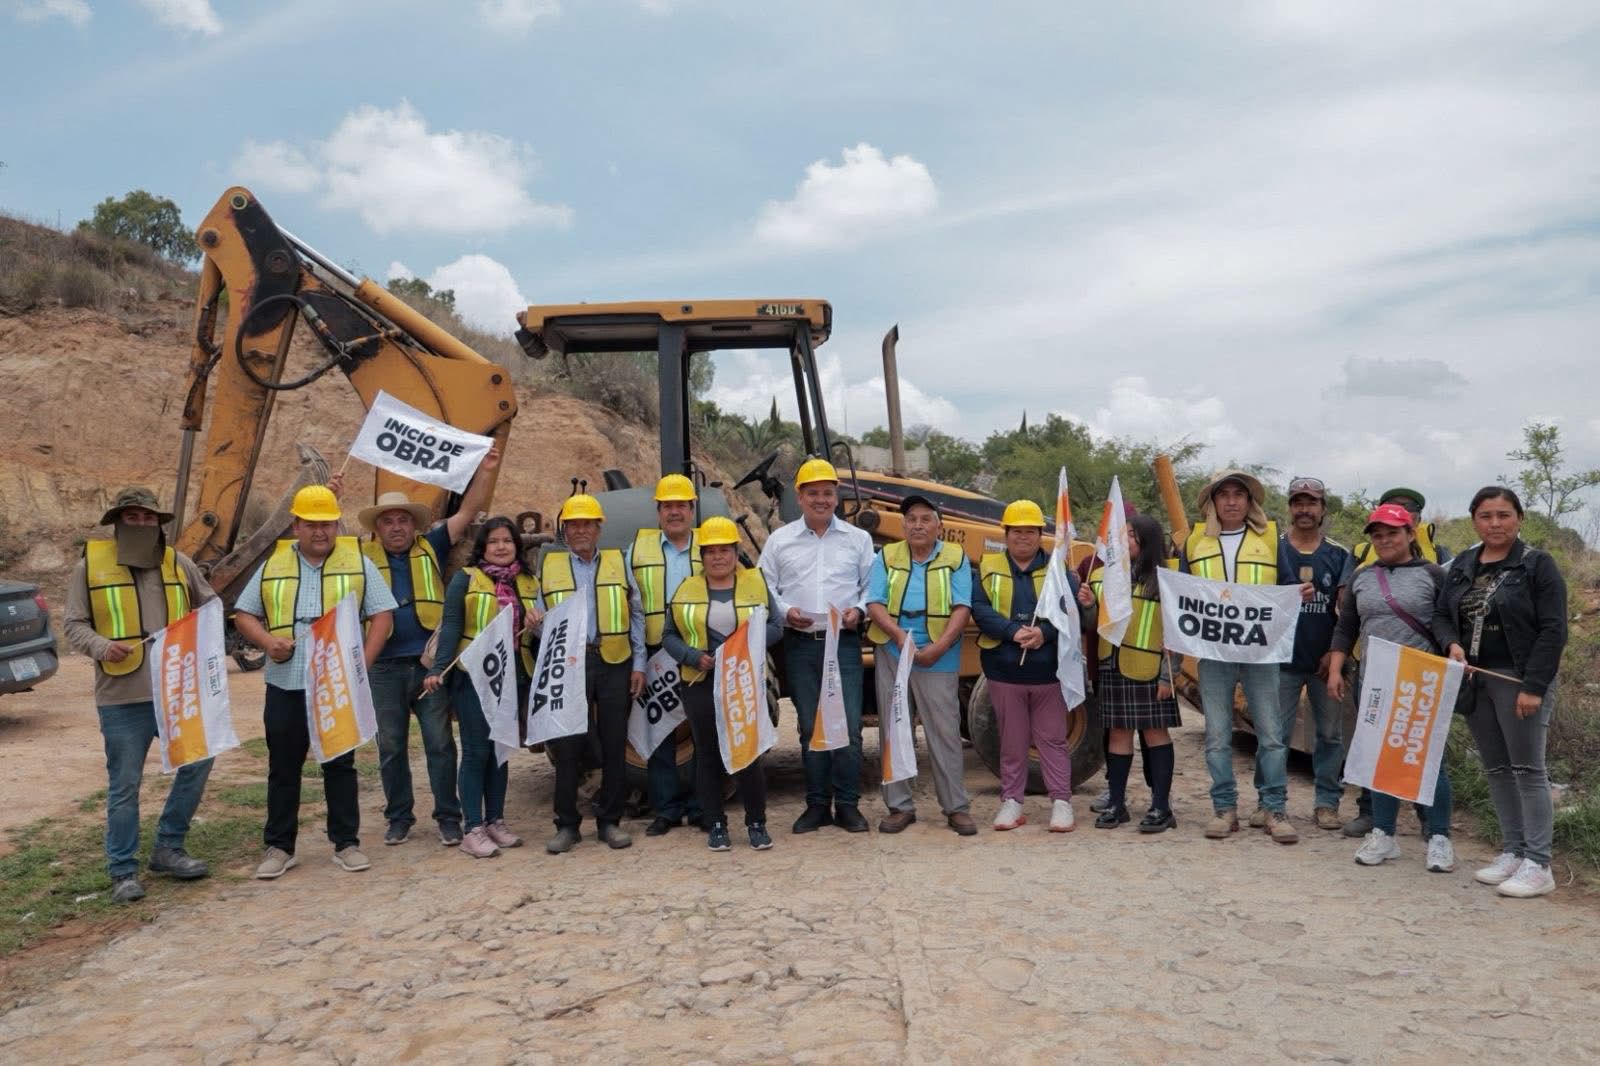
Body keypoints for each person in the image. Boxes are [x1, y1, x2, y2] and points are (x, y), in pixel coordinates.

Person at [234, 485, 396, 880]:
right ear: (296, 525)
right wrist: (268, 642)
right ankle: (279, 846)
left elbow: (383, 617)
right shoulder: (273, 564)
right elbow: (243, 613)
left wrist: (359, 665)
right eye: (312, 524)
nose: (320, 532)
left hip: (335, 687)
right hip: (285, 681)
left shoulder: (357, 561)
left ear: (337, 524)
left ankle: (346, 843)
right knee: (283, 766)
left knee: (341, 764)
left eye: (327, 524)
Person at [62, 487, 216, 903]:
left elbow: (211, 605)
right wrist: (101, 646)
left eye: (149, 519)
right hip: (121, 698)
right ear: (117, 523)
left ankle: (169, 847)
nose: (143, 524)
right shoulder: (88, 569)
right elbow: (74, 624)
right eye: (134, 518)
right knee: (125, 785)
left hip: (176, 695)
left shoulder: (179, 563)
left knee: (200, 761)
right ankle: (123, 871)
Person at [346, 447, 501, 849]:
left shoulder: (431, 544)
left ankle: (448, 817)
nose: (396, 527)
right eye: (388, 521)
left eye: (402, 520)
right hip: (382, 668)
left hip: (427, 666)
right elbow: (319, 530)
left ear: (414, 525)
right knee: (391, 747)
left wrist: (486, 470)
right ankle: (399, 817)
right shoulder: (358, 556)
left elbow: (468, 512)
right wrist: (328, 490)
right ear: (376, 528)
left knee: (439, 745)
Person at [1437, 487, 1568, 899]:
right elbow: (1442, 614)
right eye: (1486, 516)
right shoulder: (1462, 564)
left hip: (1519, 681)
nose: (1495, 524)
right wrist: (1450, 644)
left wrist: (1534, 687)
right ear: (1474, 520)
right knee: (1496, 769)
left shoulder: (1537, 565)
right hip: (1476, 678)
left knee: (1528, 770)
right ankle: (1513, 851)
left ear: (1519, 519)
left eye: (1504, 515)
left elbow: (1553, 629)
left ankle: (1539, 862)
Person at [1325, 504, 1456, 873]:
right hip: (1376, 680)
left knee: (1429, 760)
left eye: (1393, 533)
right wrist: (1336, 668)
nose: (1385, 540)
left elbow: (1447, 622)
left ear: (1411, 533)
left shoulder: (1432, 575)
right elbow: (1346, 627)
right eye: (1377, 535)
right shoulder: (1362, 578)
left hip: (1422, 682)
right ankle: (1384, 833)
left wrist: (1452, 650)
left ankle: (1440, 836)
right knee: (1380, 760)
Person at [1179, 469, 1301, 844]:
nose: (1232, 500)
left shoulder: (1270, 539)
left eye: (1239, 494)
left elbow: (1288, 586)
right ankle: (1224, 809)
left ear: (1250, 501)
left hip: (1261, 651)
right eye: (1224, 494)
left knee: (1272, 734)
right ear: (1213, 502)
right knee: (1217, 735)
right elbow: (1182, 592)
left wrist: (1300, 593)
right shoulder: (1194, 542)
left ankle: (1273, 808)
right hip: (1214, 653)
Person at [758, 458, 874, 834]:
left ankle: (849, 805)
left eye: (827, 493)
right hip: (802, 644)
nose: (821, 499)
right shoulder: (780, 540)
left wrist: (858, 610)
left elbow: (871, 586)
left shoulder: (858, 540)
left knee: (850, 727)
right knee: (811, 727)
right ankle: (817, 805)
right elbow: (765, 586)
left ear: (836, 497)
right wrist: (786, 610)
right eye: (813, 493)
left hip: (844, 644)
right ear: (800, 497)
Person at [423, 516, 541, 858]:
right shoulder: (465, 579)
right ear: (483, 547)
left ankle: (495, 821)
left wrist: (536, 625)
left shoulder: (527, 582)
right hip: (473, 677)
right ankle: (472, 828)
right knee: (476, 751)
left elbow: (536, 637)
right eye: (494, 542)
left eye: (507, 540)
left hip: (514, 676)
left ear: (517, 545)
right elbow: (451, 626)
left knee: (500, 751)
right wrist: (440, 668)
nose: (501, 547)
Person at [662, 516, 782, 851]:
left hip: (742, 681)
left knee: (747, 753)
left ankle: (756, 824)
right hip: (700, 680)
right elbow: (668, 635)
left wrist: (747, 645)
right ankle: (716, 824)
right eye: (711, 551)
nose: (718, 557)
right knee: (708, 755)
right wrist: (691, 656)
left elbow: (776, 626)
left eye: (725, 550)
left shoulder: (755, 583)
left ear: (735, 552)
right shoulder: (686, 588)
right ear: (702, 555)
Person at [971, 499, 1087, 832]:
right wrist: (1011, 631)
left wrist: (1044, 633)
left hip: (1048, 671)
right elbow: (980, 609)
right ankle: (1012, 802)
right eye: (1017, 531)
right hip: (1003, 669)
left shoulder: (1059, 571)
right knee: (1012, 739)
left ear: (1041, 535)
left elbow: (1069, 614)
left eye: (1030, 531)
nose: (1023, 537)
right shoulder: (988, 567)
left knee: (1052, 739)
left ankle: (1061, 803)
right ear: (1005, 534)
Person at [539, 493, 646, 854]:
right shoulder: (550, 567)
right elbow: (541, 623)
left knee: (615, 742)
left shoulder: (618, 562)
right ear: (564, 530)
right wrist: (536, 622)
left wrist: (640, 663)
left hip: (614, 661)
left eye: (587, 524)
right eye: (573, 524)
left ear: (599, 528)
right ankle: (567, 824)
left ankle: (609, 821)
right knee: (567, 744)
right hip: (569, 667)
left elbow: (636, 615)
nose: (580, 530)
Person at [865, 495, 977, 836]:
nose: (917, 525)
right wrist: (900, 637)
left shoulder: (955, 557)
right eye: (911, 519)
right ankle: (899, 807)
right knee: (893, 728)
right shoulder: (886, 556)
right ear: (902, 526)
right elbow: (874, 602)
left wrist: (939, 647)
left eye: (925, 519)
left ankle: (956, 807)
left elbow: (961, 607)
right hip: (893, 651)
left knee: (944, 731)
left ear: (939, 526)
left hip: (939, 654)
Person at [1088, 513, 1181, 832]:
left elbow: (1178, 634)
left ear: (1147, 541)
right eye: (1123, 534)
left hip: (1150, 670)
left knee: (1156, 733)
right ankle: (1117, 803)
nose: (1123, 540)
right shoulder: (1103, 576)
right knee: (1118, 734)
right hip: (1111, 665)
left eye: (1130, 535)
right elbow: (1092, 623)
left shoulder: (1166, 582)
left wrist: (1169, 677)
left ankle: (1161, 807)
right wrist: (1088, 604)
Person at [1272, 476, 1354, 831]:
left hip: (1325, 662)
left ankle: (1327, 803)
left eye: (1312, 503)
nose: (1304, 509)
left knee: (1331, 735)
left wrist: (1336, 654)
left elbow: (1347, 613)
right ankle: (1271, 803)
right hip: (1280, 660)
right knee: (1274, 735)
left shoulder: (1339, 555)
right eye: (1298, 502)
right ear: (1289, 507)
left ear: (1323, 509)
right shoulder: (1271, 550)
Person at [628, 473, 704, 837]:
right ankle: (667, 809)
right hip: (657, 651)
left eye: (681, 506)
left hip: (701, 654)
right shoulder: (637, 550)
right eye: (667, 506)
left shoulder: (711, 546)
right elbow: (632, 611)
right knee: (659, 732)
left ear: (693, 510)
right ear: (658, 512)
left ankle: (702, 806)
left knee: (704, 732)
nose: (675, 512)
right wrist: (639, 661)